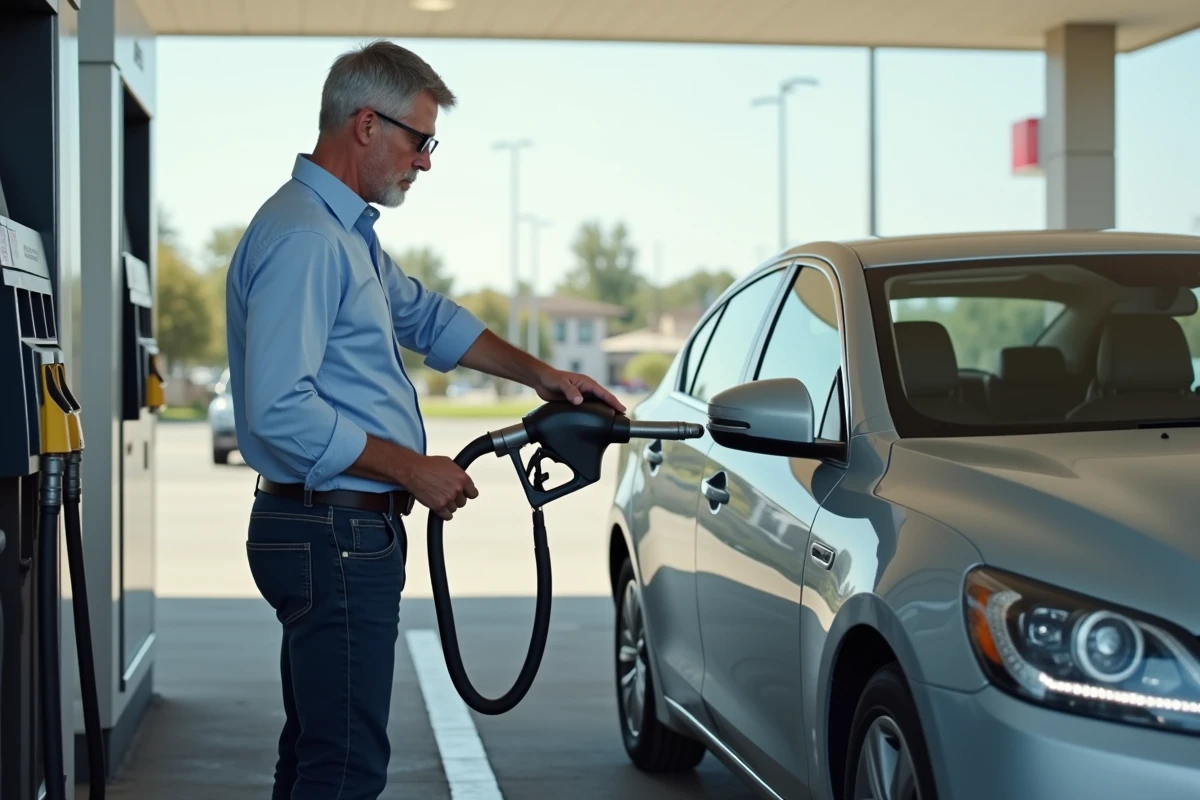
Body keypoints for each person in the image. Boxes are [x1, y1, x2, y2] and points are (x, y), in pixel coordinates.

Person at [224, 39, 624, 800]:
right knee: (343, 770)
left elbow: (429, 319)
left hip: (335, 531)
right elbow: (280, 409)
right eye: (421, 139)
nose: (427, 161)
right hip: (331, 532)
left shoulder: (345, 236)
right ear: (367, 125)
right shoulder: (308, 237)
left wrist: (545, 377)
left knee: (317, 754)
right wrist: (415, 470)